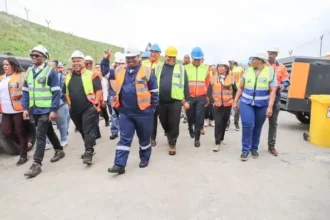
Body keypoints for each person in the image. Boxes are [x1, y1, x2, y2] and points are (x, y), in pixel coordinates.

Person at [108, 45, 159, 175]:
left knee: (144, 138)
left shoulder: (147, 71)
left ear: (139, 57)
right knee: (124, 139)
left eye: (133, 58)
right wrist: (105, 61)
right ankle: (119, 164)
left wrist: (152, 109)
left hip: (144, 112)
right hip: (126, 112)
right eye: (128, 58)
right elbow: (106, 74)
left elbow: (154, 91)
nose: (130, 60)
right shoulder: (119, 70)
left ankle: (144, 158)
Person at [23, 45, 64, 178]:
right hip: (34, 109)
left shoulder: (50, 72)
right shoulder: (29, 71)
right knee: (48, 131)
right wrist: (25, 108)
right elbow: (25, 92)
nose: (34, 57)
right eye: (32, 55)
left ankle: (37, 164)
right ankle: (59, 150)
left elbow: (56, 93)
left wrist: (53, 110)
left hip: (46, 109)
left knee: (40, 134)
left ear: (45, 57)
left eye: (37, 55)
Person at [233, 52, 277, 161]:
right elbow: (240, 88)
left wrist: (270, 106)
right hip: (246, 103)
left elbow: (273, 91)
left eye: (253, 59)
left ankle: (254, 148)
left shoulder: (270, 72)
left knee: (257, 126)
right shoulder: (247, 71)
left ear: (260, 60)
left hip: (262, 105)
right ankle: (245, 150)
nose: (251, 61)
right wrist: (235, 101)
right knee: (248, 124)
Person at [63, 50, 102, 165]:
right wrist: (69, 105)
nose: (76, 63)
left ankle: (88, 152)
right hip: (74, 109)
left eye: (78, 61)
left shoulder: (92, 74)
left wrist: (96, 103)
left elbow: (98, 90)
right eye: (74, 61)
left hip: (89, 107)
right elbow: (65, 92)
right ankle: (89, 146)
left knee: (87, 129)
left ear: (83, 62)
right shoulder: (68, 77)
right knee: (81, 130)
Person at [155, 46, 190, 155]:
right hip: (161, 100)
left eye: (173, 57)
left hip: (175, 101)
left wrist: (187, 100)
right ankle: (168, 133)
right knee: (163, 121)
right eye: (169, 57)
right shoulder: (159, 67)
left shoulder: (181, 68)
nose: (171, 59)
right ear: (165, 56)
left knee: (174, 123)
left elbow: (186, 85)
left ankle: (172, 143)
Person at [0, 57, 30, 165]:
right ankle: (26, 144)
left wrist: (23, 100)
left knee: (20, 131)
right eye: (3, 64)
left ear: (13, 65)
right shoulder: (1, 78)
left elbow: (28, 90)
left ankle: (23, 155)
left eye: (7, 64)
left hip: (18, 109)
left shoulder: (22, 76)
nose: (4, 66)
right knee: (6, 132)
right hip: (5, 110)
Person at [208, 60, 237, 152]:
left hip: (227, 104)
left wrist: (233, 100)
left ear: (226, 68)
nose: (220, 68)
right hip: (217, 105)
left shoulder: (231, 78)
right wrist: (212, 100)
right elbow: (209, 91)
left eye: (222, 66)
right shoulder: (213, 78)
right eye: (219, 66)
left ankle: (222, 138)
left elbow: (235, 90)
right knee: (218, 123)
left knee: (224, 122)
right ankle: (217, 143)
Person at [266, 48, 290, 156]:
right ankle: (253, 146)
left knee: (273, 123)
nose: (272, 54)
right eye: (270, 52)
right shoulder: (263, 65)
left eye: (274, 53)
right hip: (262, 97)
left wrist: (283, 85)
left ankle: (271, 145)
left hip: (276, 97)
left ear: (276, 54)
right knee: (256, 123)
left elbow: (286, 79)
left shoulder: (281, 67)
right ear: (267, 53)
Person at [185, 47, 210, 147]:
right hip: (189, 97)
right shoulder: (185, 68)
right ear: (192, 58)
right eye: (195, 59)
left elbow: (207, 84)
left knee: (199, 118)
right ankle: (190, 126)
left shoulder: (206, 69)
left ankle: (197, 138)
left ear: (201, 59)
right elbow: (183, 84)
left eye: (198, 59)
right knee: (190, 117)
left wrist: (207, 97)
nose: (196, 61)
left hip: (201, 97)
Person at [101, 51, 126, 140]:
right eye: (117, 63)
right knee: (114, 115)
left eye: (121, 63)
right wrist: (105, 59)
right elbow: (105, 73)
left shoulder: (127, 73)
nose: (119, 65)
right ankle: (115, 132)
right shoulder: (113, 72)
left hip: (124, 98)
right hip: (114, 97)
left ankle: (124, 133)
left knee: (124, 116)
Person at [142, 43, 162, 147]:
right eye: (152, 52)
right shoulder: (144, 63)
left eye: (156, 52)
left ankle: (153, 137)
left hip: (156, 94)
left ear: (159, 54)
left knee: (155, 117)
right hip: (144, 93)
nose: (153, 54)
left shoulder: (161, 65)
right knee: (146, 117)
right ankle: (148, 137)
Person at [47, 60, 69, 147]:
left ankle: (63, 139)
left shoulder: (62, 77)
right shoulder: (44, 76)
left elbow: (63, 91)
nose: (49, 68)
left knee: (61, 123)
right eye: (47, 66)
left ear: (56, 68)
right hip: (47, 103)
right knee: (46, 124)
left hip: (60, 103)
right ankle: (47, 142)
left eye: (51, 66)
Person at [226, 60, 244, 131]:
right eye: (229, 62)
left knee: (237, 108)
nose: (230, 63)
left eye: (231, 62)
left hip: (237, 91)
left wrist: (242, 89)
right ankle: (227, 124)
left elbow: (244, 79)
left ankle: (236, 124)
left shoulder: (240, 69)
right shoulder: (226, 70)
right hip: (229, 91)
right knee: (228, 108)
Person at [181, 54, 191, 124]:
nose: (187, 59)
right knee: (183, 102)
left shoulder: (191, 67)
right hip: (182, 86)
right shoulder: (181, 67)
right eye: (186, 58)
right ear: (184, 59)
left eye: (188, 58)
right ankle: (185, 116)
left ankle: (188, 116)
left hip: (189, 86)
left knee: (188, 102)